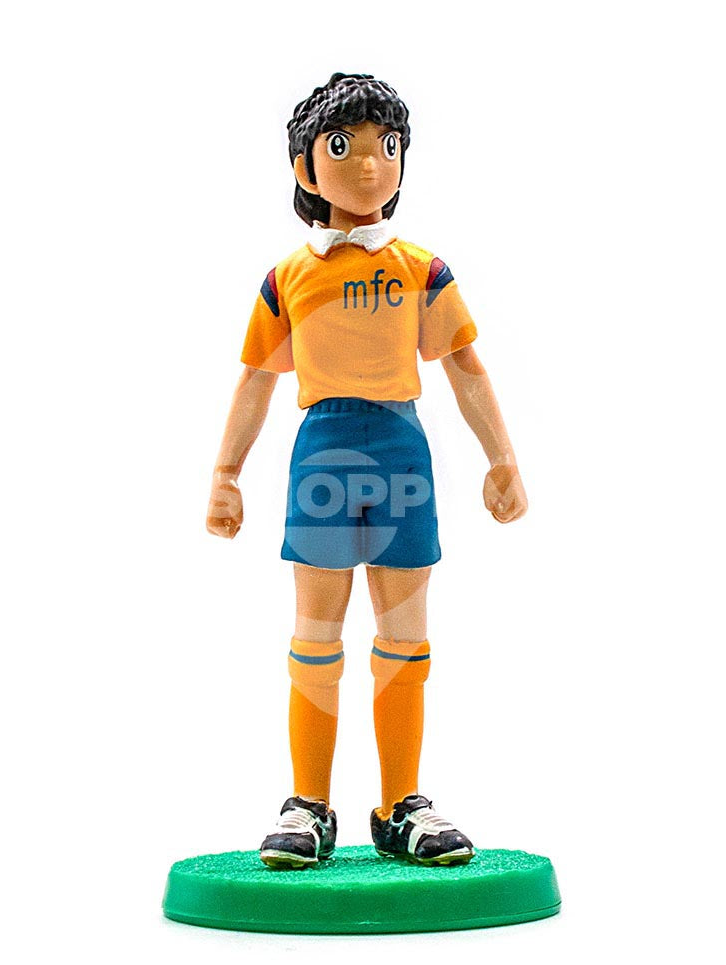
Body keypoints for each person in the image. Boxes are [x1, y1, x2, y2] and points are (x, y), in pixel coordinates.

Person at [206, 73, 528, 868]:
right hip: (321, 453)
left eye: (387, 145)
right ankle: (308, 804)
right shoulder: (288, 278)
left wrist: (502, 458)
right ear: (305, 168)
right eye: (343, 145)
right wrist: (225, 472)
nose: (370, 164)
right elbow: (256, 379)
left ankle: (401, 804)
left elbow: (465, 366)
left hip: (401, 456)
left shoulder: (422, 270)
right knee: (315, 634)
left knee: (405, 637)